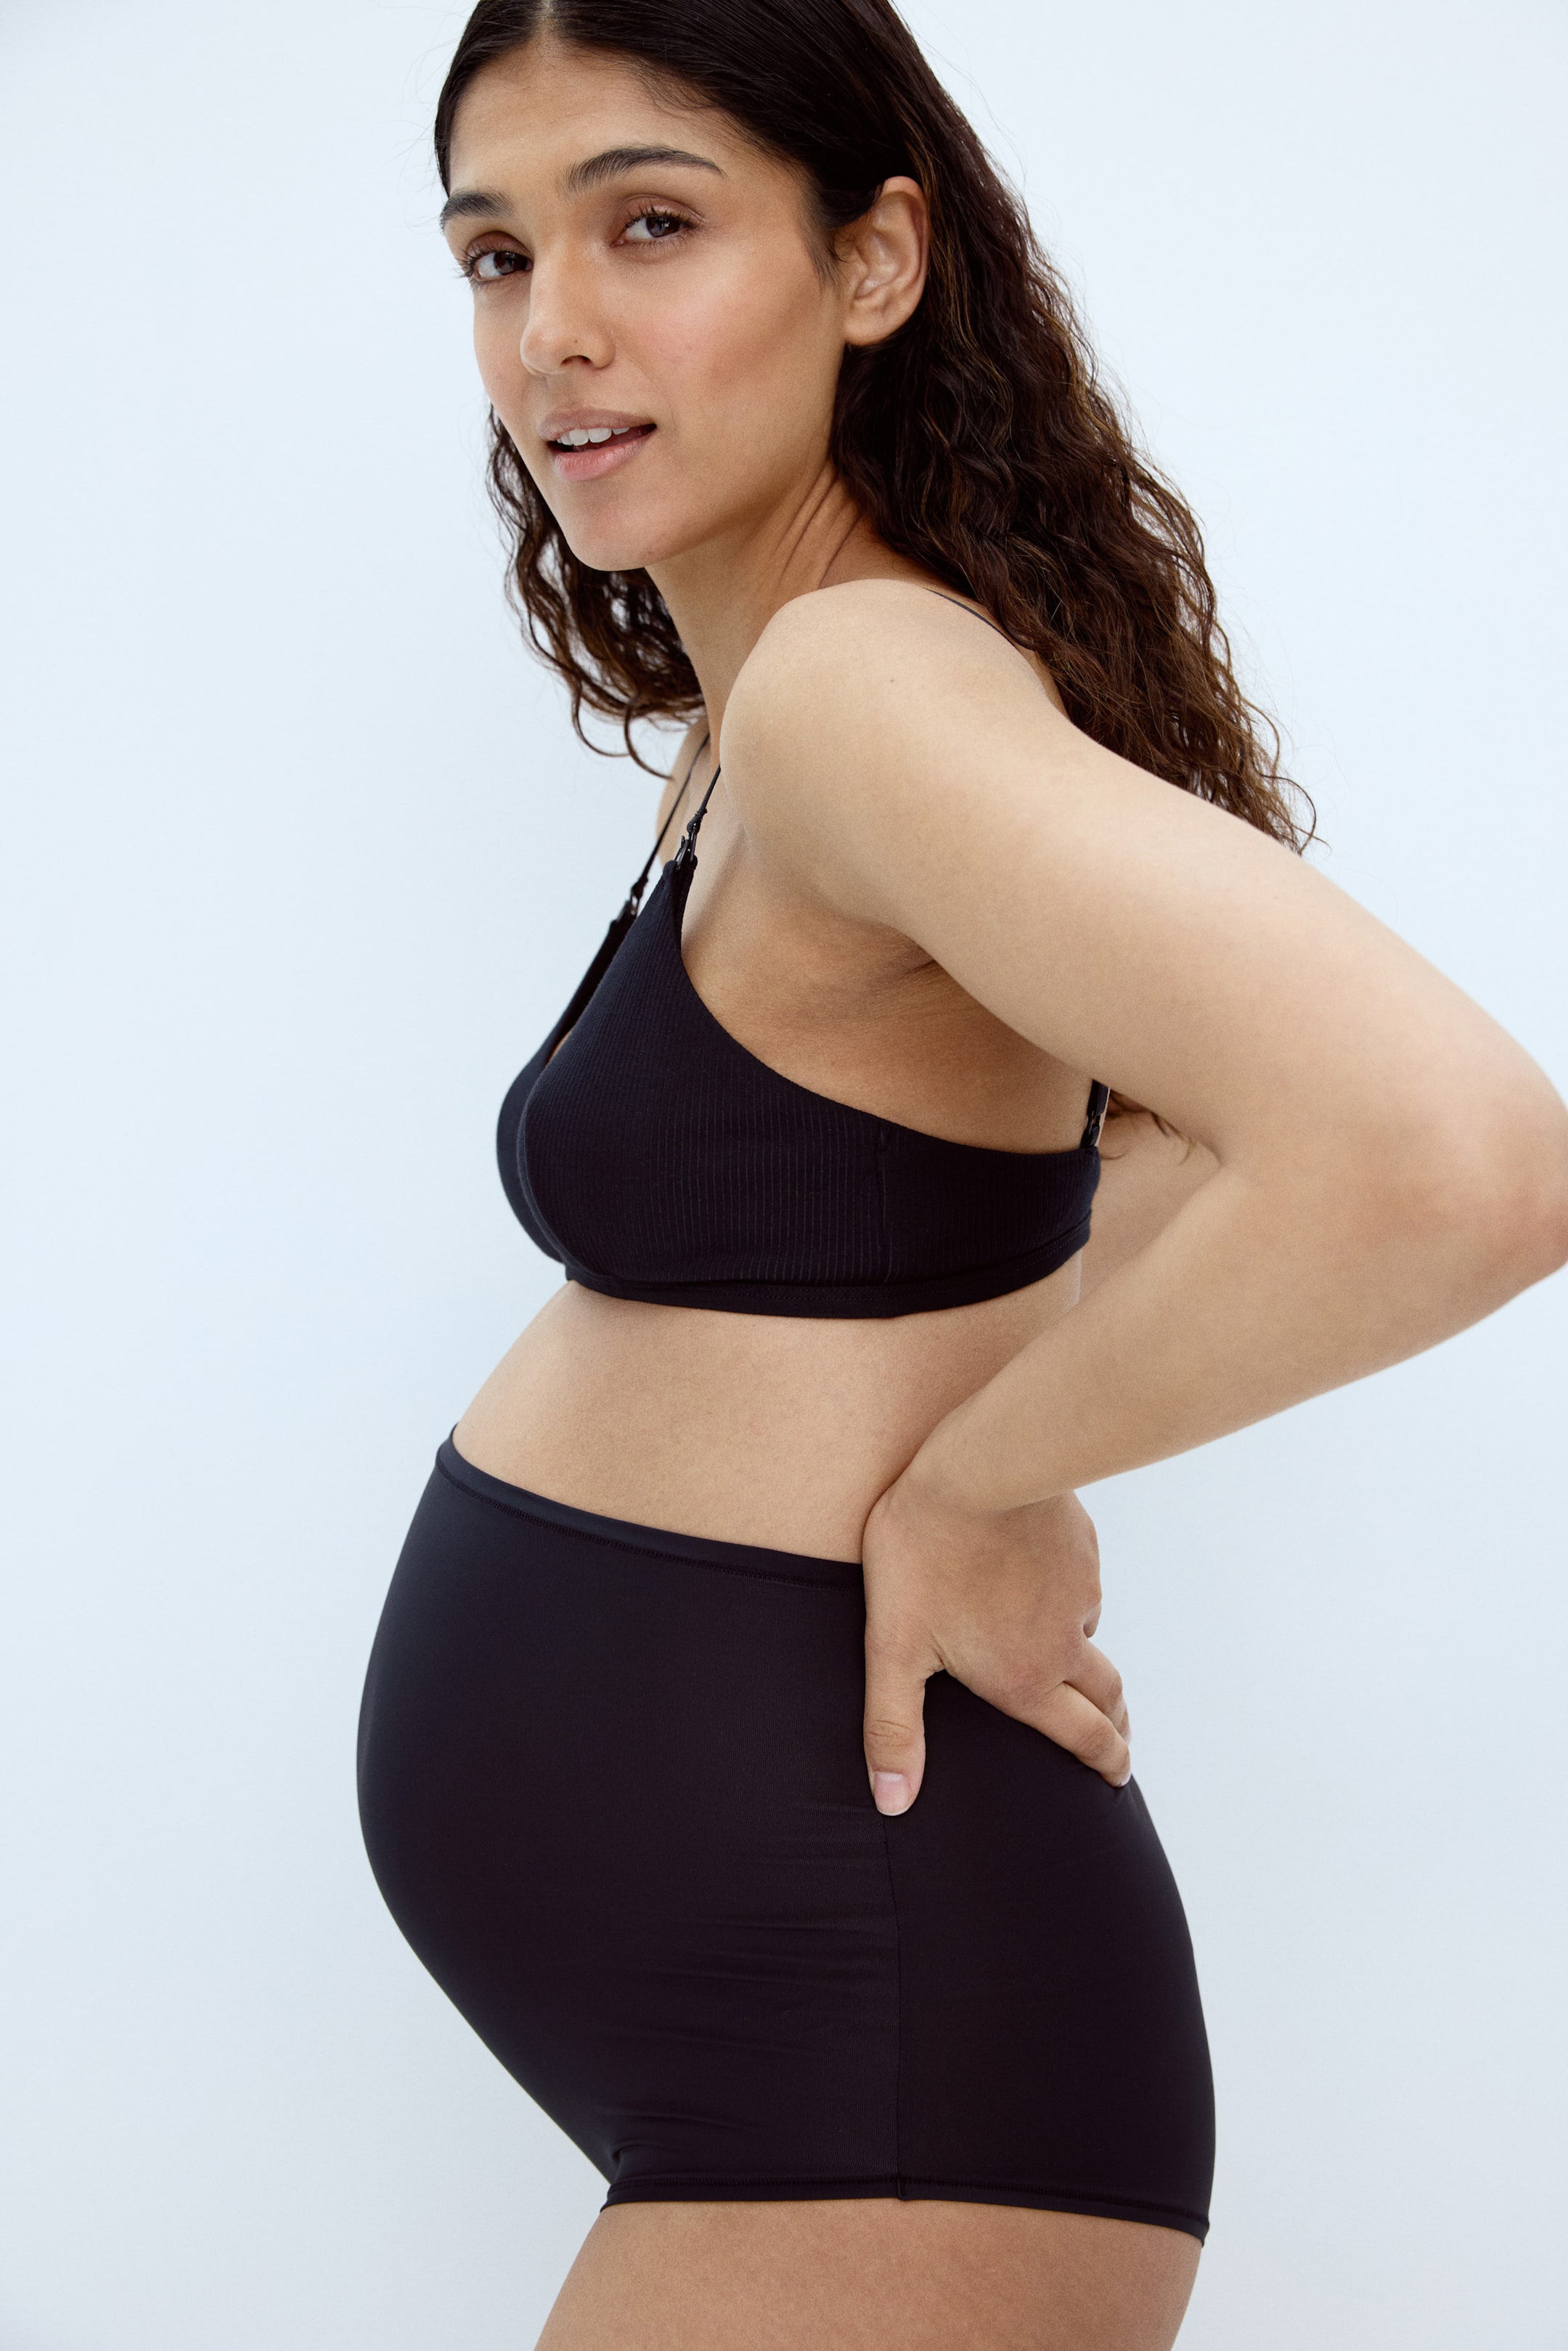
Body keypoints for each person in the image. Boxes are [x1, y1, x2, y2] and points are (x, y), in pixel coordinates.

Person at [355, 2, 1568, 2343]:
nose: (556, 327)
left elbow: (1464, 1159)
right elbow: (1145, 1163)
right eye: (496, 255)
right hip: (822, 2051)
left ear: (877, 260)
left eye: (649, 225)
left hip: (875, 2048)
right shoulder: (775, 709)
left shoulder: (858, 693)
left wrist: (983, 1481)